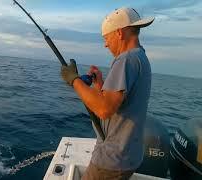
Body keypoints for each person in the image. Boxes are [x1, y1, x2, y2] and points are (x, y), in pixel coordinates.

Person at [61, 7, 154, 180]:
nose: (105, 44)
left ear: (119, 33)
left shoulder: (125, 59)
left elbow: (104, 110)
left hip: (112, 160)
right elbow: (116, 103)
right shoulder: (140, 58)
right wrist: (99, 85)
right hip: (127, 155)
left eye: (106, 38)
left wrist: (74, 80)